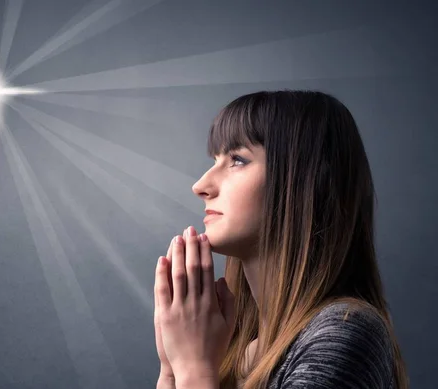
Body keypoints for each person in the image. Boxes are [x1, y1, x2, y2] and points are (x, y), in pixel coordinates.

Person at [153, 90, 409, 389]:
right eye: (215, 159)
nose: (201, 186)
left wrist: (193, 370)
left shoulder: (342, 333)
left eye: (237, 159)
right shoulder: (230, 351)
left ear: (305, 182)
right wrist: (171, 371)